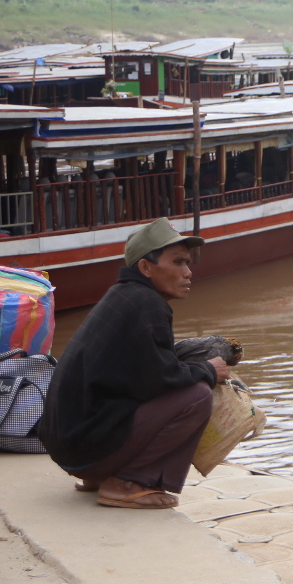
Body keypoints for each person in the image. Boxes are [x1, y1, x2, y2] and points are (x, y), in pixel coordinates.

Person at [38, 218, 230, 509]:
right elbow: (159, 380)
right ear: (145, 268)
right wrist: (208, 370)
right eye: (178, 263)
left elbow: (141, 373)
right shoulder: (148, 303)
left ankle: (102, 476)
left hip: (70, 450)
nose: (188, 273)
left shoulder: (123, 296)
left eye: (188, 263)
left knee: (190, 384)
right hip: (84, 452)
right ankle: (128, 483)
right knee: (197, 396)